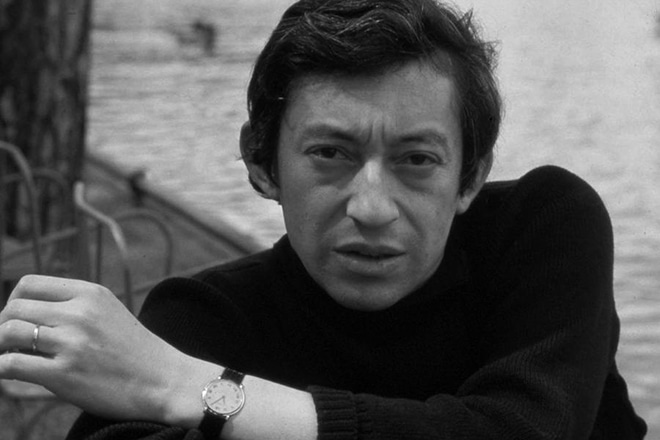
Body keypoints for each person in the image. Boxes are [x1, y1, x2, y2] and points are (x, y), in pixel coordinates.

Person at [0, 0, 648, 438]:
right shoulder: (201, 319)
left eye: (417, 160)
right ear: (263, 163)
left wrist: (187, 388)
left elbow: (527, 427)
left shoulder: (540, 232)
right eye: (331, 154)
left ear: (471, 176)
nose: (371, 208)